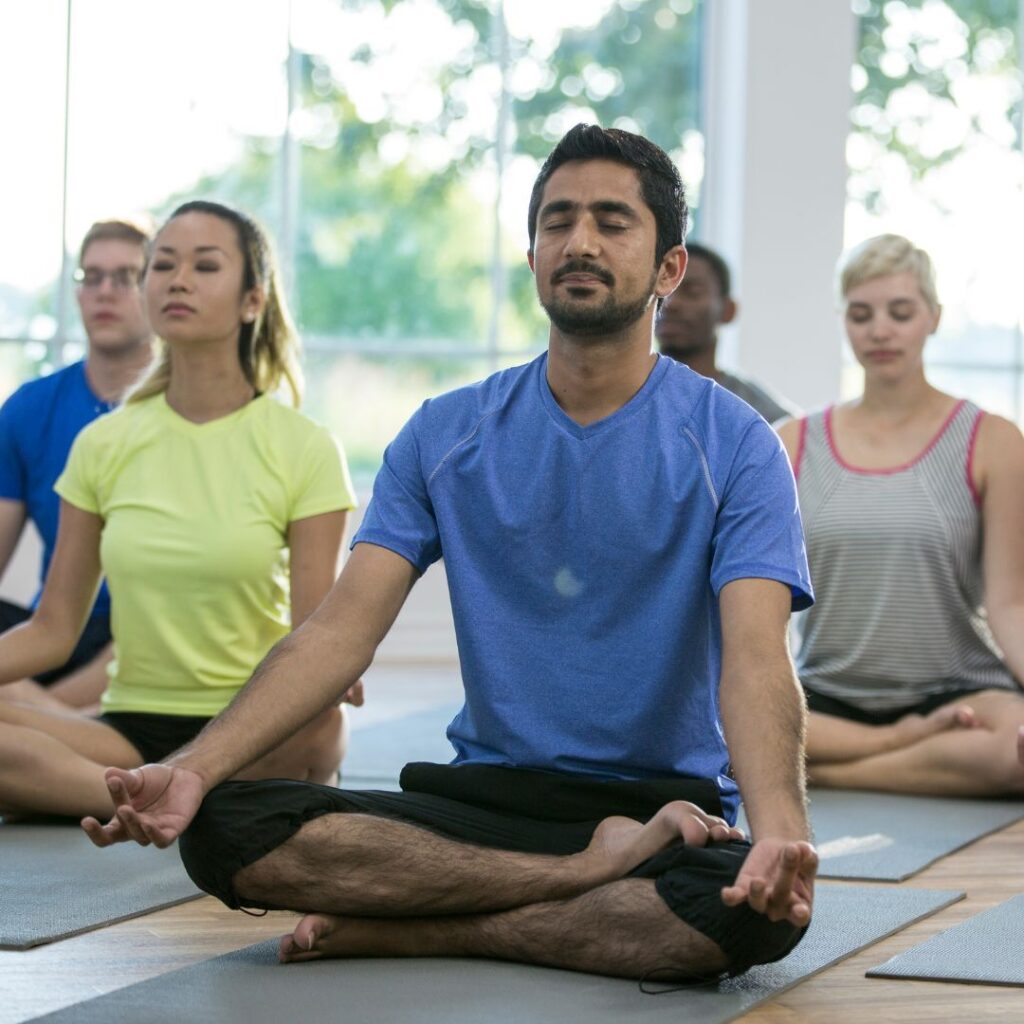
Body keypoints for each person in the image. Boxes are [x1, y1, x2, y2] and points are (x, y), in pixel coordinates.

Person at [86, 127, 818, 983]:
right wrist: (192, 768)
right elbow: (337, 634)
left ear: (669, 268)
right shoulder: (446, 432)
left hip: (662, 808)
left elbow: (759, 660)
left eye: (612, 221)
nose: (578, 241)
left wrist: (779, 838)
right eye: (557, 221)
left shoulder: (737, 444)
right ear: (535, 252)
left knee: (740, 915)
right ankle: (580, 878)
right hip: (482, 801)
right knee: (224, 829)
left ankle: (430, 924)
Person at [0, 200, 360, 820]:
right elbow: (54, 630)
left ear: (253, 300)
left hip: (254, 728)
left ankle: (154, 792)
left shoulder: (305, 447)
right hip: (128, 729)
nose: (178, 279)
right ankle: (177, 798)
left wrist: (337, 673)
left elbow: (313, 637)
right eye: (163, 265)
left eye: (205, 265)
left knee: (321, 727)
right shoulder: (104, 443)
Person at [776, 233, 1024, 796]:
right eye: (861, 315)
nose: (880, 331)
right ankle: (909, 750)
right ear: (844, 322)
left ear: (933, 317)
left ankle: (825, 772)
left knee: (1016, 750)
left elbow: (1010, 603)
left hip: (959, 691)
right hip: (828, 695)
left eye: (900, 312)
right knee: (732, 723)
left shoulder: (995, 441)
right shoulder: (790, 443)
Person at [0, 220, 155, 711]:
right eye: (91, 277)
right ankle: (50, 724)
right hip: (58, 626)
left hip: (155, 632)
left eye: (126, 277)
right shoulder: (30, 407)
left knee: (171, 631)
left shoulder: (186, 410)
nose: (104, 292)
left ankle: (38, 721)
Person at [655, 241, 798, 423]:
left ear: (727, 310)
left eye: (692, 292)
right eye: (662, 290)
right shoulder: (621, 395)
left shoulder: (763, 418)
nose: (671, 303)